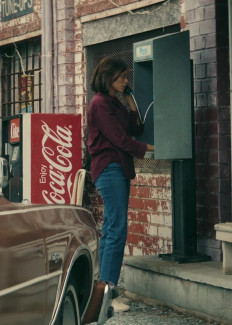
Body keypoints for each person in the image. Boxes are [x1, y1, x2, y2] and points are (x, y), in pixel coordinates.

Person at [87, 56, 154, 313]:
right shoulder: (99, 104)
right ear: (109, 78)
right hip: (109, 168)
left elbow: (135, 127)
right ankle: (108, 293)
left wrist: (129, 98)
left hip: (119, 168)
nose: (126, 80)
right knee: (116, 229)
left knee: (113, 229)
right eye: (122, 77)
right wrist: (149, 148)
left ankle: (103, 289)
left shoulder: (114, 101)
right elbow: (121, 139)